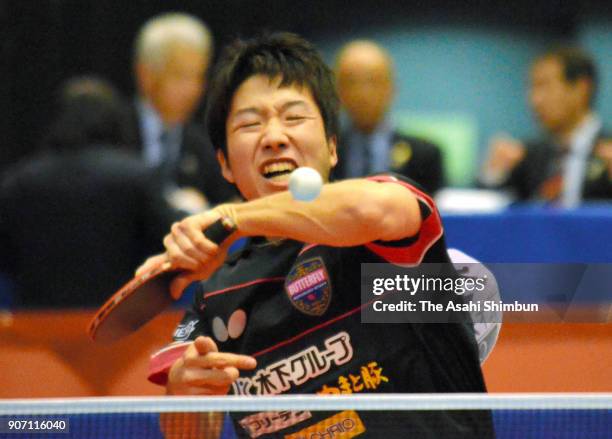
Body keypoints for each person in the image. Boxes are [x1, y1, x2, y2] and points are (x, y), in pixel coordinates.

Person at [144, 33, 493, 438]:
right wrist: (186, 394)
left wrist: (231, 218)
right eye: (250, 123)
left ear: (331, 147)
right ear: (224, 164)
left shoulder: (380, 223)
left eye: (293, 118)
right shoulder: (216, 297)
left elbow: (369, 209)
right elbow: (187, 432)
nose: (274, 136)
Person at [0, 76, 180, 307]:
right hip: (117, 329)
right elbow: (171, 246)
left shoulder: (20, 181)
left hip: (36, 328)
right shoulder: (136, 177)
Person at [130, 12, 236, 210]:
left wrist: (208, 210)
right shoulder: (114, 131)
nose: (193, 89)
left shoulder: (206, 146)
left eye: (198, 77)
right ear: (146, 75)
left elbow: (229, 205)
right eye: (180, 76)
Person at [480, 47, 611, 206]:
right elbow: (485, 214)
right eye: (531, 87)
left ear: (581, 88)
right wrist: (493, 174)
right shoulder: (528, 155)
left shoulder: (607, 151)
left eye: (544, 86)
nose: (534, 100)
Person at [334, 40, 445, 194]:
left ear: (392, 87)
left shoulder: (425, 156)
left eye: (373, 81)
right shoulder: (326, 153)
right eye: (351, 82)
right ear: (336, 90)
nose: (362, 93)